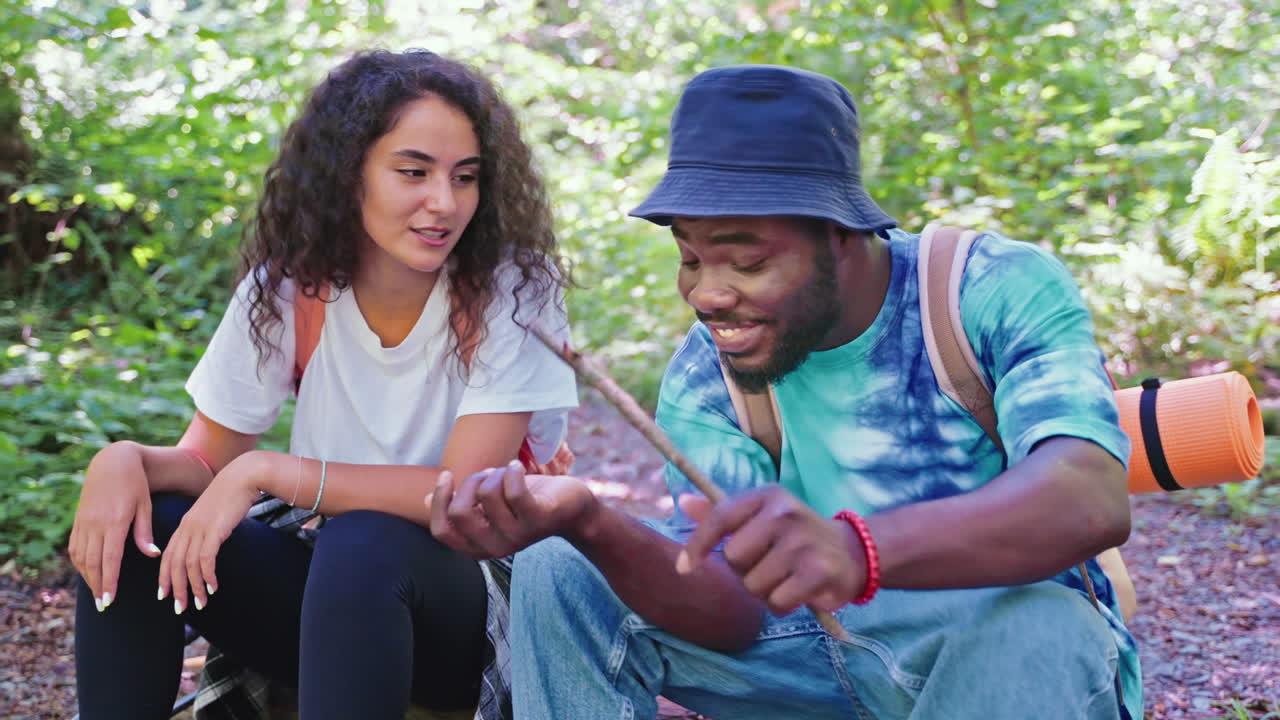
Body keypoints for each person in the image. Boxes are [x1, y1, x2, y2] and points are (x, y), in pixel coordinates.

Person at [430, 64, 1142, 719]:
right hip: (809, 653)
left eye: (747, 260)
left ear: (839, 234)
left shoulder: (984, 289)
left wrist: (857, 550)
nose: (707, 292)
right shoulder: (710, 372)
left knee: (1043, 625)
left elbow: (1089, 497)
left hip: (989, 650)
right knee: (561, 566)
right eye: (690, 257)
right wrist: (589, 522)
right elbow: (732, 614)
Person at [68, 49, 577, 720]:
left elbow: (464, 497)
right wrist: (123, 462)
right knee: (144, 526)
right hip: (335, 599)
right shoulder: (290, 285)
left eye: (466, 177)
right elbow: (205, 462)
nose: (444, 202)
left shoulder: (514, 288)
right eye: (413, 172)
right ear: (347, 176)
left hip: (483, 610)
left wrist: (271, 472)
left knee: (364, 538)